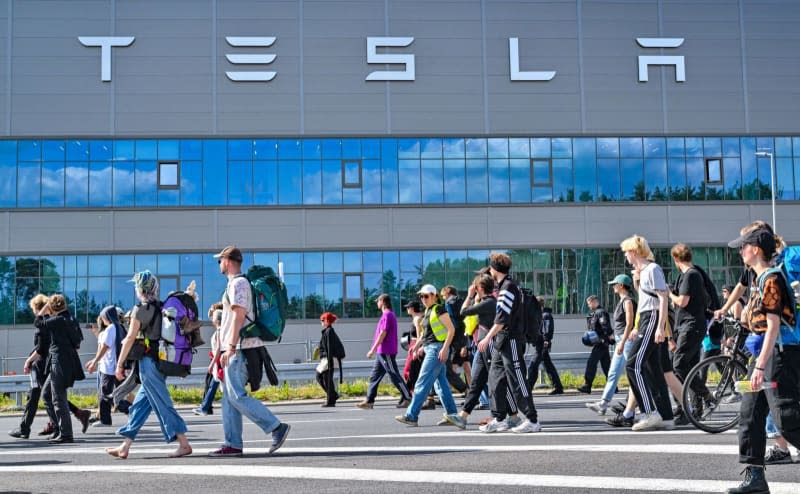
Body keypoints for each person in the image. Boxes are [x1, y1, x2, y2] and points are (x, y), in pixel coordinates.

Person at [726, 226, 800, 493]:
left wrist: (759, 366)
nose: (740, 252)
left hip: (779, 356)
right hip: (763, 355)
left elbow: (773, 326)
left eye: (743, 247)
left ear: (755, 249)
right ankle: (755, 478)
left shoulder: (771, 280)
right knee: (749, 416)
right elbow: (756, 322)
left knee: (786, 419)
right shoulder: (760, 281)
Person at [209, 246, 290, 457]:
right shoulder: (234, 285)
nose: (219, 264)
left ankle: (276, 427)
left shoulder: (239, 284)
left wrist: (231, 347)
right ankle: (233, 443)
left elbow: (238, 316)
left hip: (240, 349)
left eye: (220, 260)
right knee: (229, 397)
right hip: (235, 348)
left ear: (227, 261)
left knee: (236, 395)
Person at [105, 270, 192, 459]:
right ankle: (125, 446)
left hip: (148, 364)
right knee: (140, 405)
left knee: (162, 403)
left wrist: (119, 364)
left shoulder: (140, 309)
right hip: (161, 361)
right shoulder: (161, 307)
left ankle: (184, 444)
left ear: (139, 288)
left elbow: (129, 338)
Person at [9, 294, 90, 439]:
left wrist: (45, 310)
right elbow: (77, 343)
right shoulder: (71, 319)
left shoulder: (57, 320)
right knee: (48, 394)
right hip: (63, 361)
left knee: (57, 397)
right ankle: (62, 428)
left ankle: (65, 433)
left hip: (57, 362)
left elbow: (38, 323)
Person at [479, 252, 541, 433]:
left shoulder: (508, 287)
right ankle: (499, 418)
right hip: (503, 339)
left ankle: (532, 419)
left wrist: (487, 338)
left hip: (511, 338)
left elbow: (502, 319)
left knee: (517, 378)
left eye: (490, 267)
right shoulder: (507, 286)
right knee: (495, 376)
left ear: (494, 268)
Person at [621, 234, 673, 431]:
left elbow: (663, 298)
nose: (625, 256)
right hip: (646, 317)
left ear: (634, 252)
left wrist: (660, 327)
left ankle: (649, 412)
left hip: (651, 317)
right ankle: (665, 415)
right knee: (652, 368)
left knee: (633, 365)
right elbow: (645, 298)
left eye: (626, 252)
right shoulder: (643, 272)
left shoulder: (652, 269)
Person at [395, 284, 463, 428]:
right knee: (441, 384)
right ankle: (453, 415)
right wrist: (417, 346)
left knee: (422, 381)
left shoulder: (439, 308)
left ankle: (411, 416)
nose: (423, 299)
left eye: (426, 296)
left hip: (437, 349)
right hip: (432, 348)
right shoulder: (428, 311)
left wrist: (445, 349)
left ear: (434, 296)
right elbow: (426, 335)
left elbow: (451, 330)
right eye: (421, 296)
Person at [668, 243, 712, 425]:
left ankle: (706, 396)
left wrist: (669, 294)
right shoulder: (690, 275)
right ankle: (694, 410)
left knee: (678, 365)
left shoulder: (691, 275)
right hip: (690, 325)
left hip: (691, 325)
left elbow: (683, 301)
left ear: (676, 259)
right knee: (690, 366)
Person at [587, 275, 636, 415]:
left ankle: (641, 404)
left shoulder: (628, 301)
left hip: (626, 341)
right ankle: (603, 404)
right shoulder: (622, 301)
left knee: (634, 372)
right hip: (621, 340)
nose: (613, 286)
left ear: (621, 285)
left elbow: (630, 323)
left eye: (615, 284)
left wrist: (623, 342)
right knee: (613, 372)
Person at [358, 294, 412, 409]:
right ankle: (369, 401)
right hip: (381, 351)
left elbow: (383, 333)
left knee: (393, 374)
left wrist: (372, 349)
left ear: (382, 301)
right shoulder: (387, 315)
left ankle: (408, 397)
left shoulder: (387, 315)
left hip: (386, 350)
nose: (377, 303)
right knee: (375, 376)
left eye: (378, 301)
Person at [85, 306, 123, 427]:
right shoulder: (119, 327)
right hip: (116, 366)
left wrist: (94, 362)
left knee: (105, 394)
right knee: (119, 392)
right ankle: (131, 410)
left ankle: (106, 420)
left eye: (103, 316)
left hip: (108, 367)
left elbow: (104, 347)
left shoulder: (110, 329)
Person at [526, 297, 563, 395]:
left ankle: (528, 387)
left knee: (533, 365)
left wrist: (546, 340)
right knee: (548, 366)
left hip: (542, 343)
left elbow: (547, 328)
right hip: (540, 343)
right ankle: (558, 386)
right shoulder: (541, 314)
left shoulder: (545, 315)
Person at [578, 295, 612, 394]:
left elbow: (605, 326)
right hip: (600, 342)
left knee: (591, 363)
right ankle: (613, 386)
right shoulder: (594, 314)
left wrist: (609, 337)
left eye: (589, 303)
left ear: (593, 301)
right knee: (606, 365)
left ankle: (587, 386)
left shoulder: (600, 312)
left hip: (601, 342)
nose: (588, 306)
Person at [194, 305, 223, 416]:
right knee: (213, 385)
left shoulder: (219, 332)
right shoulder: (220, 330)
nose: (211, 319)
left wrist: (212, 363)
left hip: (218, 363)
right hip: (218, 362)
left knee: (214, 386)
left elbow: (219, 349)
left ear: (217, 320)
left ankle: (205, 408)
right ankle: (205, 407)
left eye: (213, 317)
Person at [316, 312, 345, 407]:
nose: (321, 322)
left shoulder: (329, 332)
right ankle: (333, 395)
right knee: (321, 377)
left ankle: (330, 400)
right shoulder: (328, 331)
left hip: (329, 359)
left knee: (326, 379)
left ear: (327, 321)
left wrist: (330, 363)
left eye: (322, 320)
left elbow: (329, 348)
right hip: (327, 359)